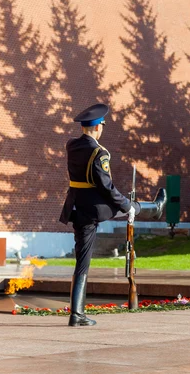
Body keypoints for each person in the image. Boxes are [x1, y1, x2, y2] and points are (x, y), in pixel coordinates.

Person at [60, 103, 167, 326]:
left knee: (82, 261)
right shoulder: (99, 153)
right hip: (95, 209)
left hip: (76, 208)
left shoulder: (72, 146)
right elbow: (106, 187)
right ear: (98, 127)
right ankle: (153, 209)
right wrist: (127, 206)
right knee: (126, 206)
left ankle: (76, 314)